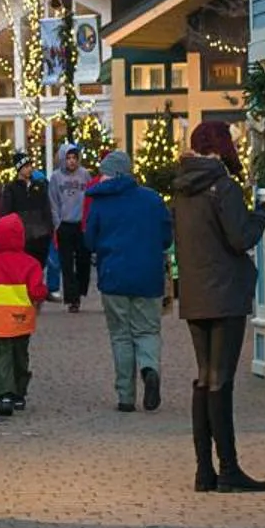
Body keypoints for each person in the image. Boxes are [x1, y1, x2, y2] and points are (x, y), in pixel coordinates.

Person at [172, 121, 265, 493]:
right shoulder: (222, 185)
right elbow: (240, 238)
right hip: (226, 292)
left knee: (204, 378)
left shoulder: (182, 188)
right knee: (220, 381)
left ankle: (205, 471)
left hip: (195, 292)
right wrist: (263, 211)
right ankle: (229, 469)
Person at [83, 151, 174, 413]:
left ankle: (125, 397)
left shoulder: (100, 203)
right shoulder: (152, 199)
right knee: (148, 331)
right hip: (148, 276)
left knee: (121, 335)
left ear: (111, 174)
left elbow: (89, 241)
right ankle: (149, 369)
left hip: (114, 277)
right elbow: (166, 238)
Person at [0, 212, 45, 414]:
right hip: (22, 317)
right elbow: (36, 291)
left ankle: (5, 394)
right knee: (20, 354)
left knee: (2, 354)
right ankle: (19, 393)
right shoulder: (31, 263)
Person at [49, 146, 94, 311]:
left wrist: (89, 220)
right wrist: (57, 223)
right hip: (65, 225)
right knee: (66, 264)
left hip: (81, 224)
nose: (72, 161)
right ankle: (72, 299)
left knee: (83, 260)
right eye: (68, 158)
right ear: (63, 159)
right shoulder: (56, 177)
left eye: (74, 158)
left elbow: (90, 197)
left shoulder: (85, 174)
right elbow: (52, 201)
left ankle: (80, 289)